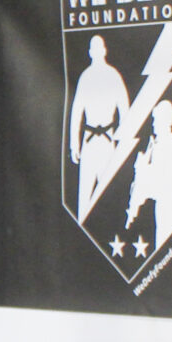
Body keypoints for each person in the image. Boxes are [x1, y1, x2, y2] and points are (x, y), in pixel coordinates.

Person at [65, 36, 133, 224]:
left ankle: (113, 229)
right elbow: (76, 113)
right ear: (90, 53)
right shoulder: (85, 78)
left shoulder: (113, 76)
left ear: (103, 51)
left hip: (108, 140)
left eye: (98, 49)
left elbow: (124, 109)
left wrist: (123, 141)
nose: (96, 52)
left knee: (109, 193)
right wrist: (74, 144)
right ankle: (82, 230)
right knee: (85, 195)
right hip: (89, 141)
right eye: (92, 49)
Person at [126, 100, 172, 245]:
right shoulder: (157, 144)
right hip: (164, 205)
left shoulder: (168, 144)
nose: (153, 124)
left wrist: (143, 171)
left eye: (156, 120)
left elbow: (163, 180)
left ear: (165, 120)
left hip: (170, 204)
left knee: (168, 244)